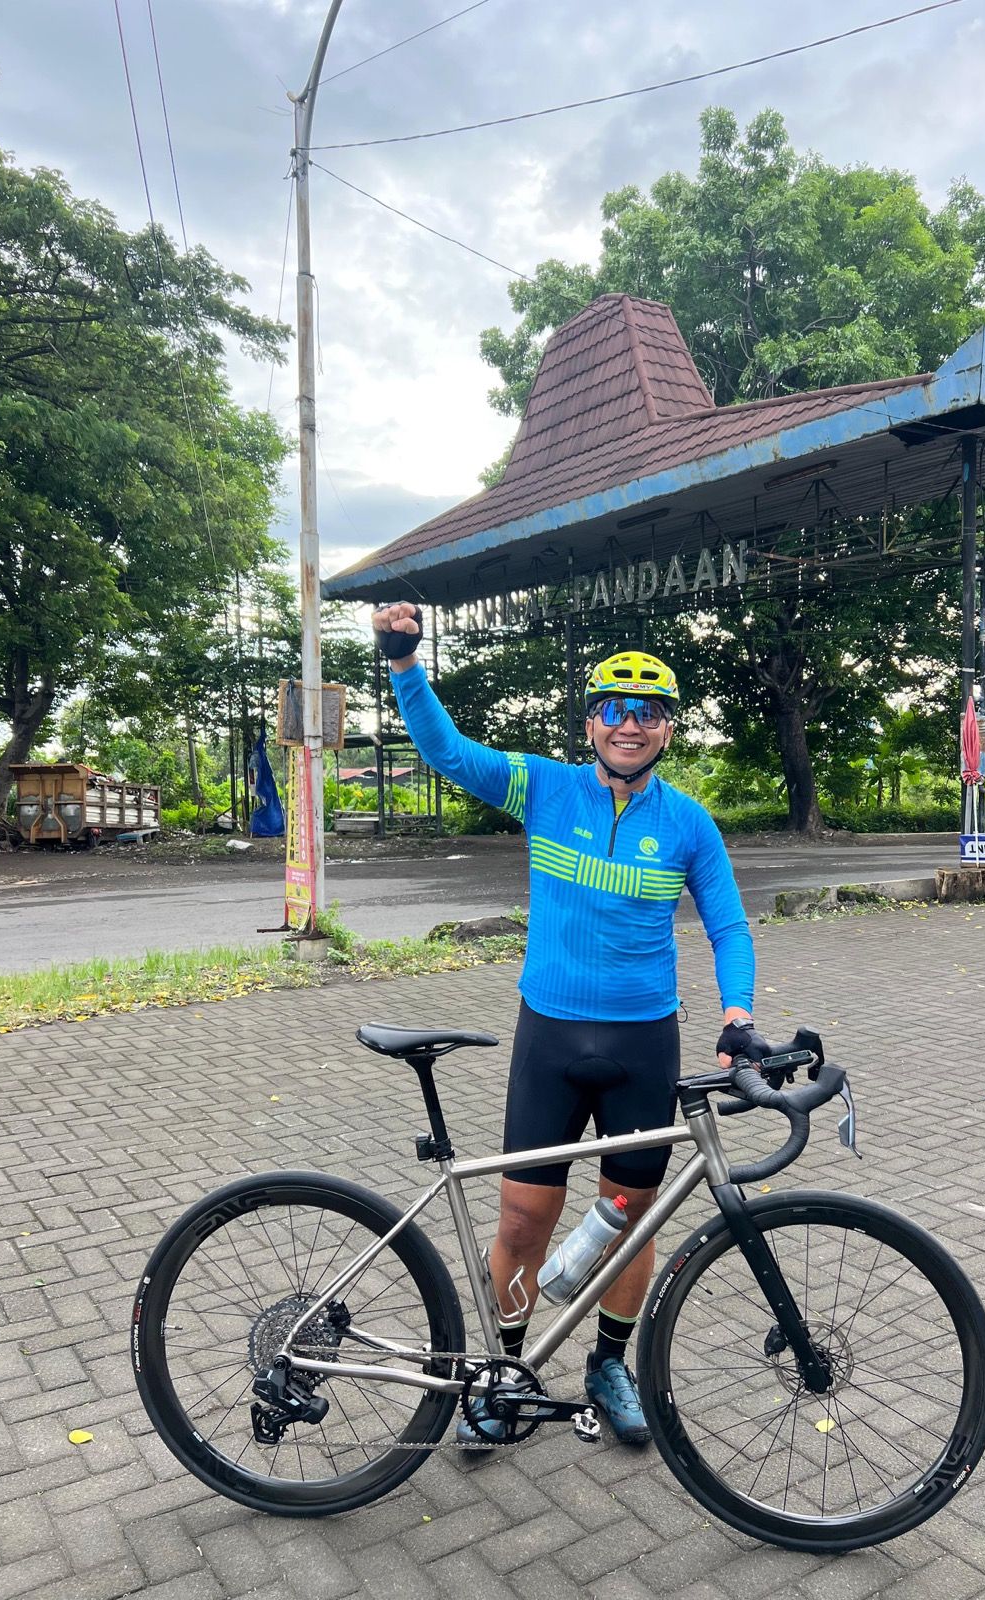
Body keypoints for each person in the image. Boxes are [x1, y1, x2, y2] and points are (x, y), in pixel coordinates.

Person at [372, 601, 770, 1446]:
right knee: (523, 1220)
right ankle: (504, 1370)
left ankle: (608, 1365)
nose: (630, 724)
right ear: (590, 723)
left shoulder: (688, 822)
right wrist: (405, 665)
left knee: (628, 1221)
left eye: (648, 711)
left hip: (642, 1045)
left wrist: (737, 1012)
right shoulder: (544, 787)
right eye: (614, 708)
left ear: (667, 729)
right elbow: (448, 752)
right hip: (549, 1039)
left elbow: (730, 926)